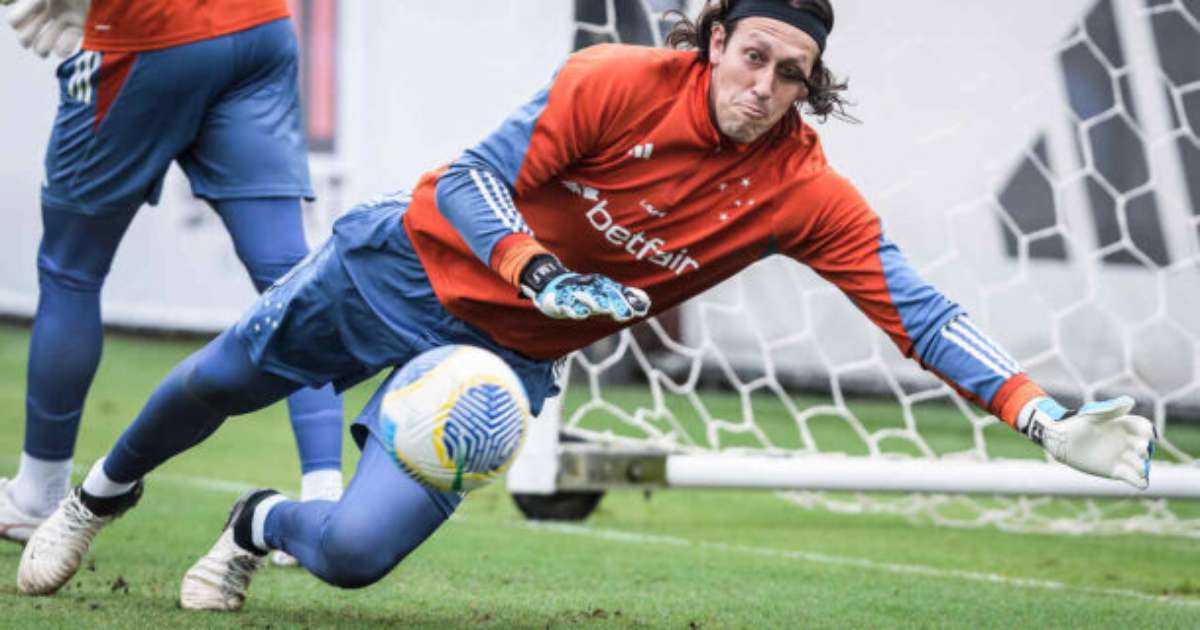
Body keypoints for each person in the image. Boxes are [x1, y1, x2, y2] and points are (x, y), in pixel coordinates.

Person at [17, 0, 1155, 609]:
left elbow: (914, 306)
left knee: (358, 556)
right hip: (405, 269)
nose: (765, 88)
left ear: (813, 88)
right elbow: (466, 181)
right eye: (752, 56)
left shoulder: (805, 192)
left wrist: (1039, 416)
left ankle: (256, 524)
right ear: (715, 40)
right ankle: (94, 497)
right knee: (220, 380)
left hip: (504, 361)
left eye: (791, 75)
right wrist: (538, 270)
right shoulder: (614, 80)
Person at [0, 0, 346, 559]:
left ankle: (38, 494)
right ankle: (324, 500)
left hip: (147, 30)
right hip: (259, 25)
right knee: (289, 280)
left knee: (70, 269)